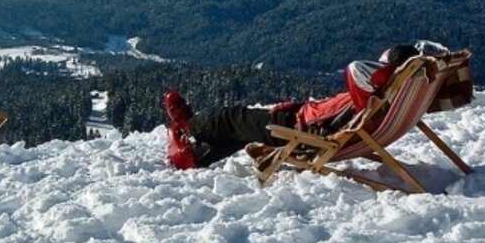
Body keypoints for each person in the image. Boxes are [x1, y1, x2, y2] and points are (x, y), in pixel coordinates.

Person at [162, 44, 422, 170]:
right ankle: (192, 158)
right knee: (242, 130)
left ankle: (188, 124)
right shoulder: (384, 98)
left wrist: (387, 71)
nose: (378, 64)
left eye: (383, 62)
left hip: (302, 128)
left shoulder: (373, 93)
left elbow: (355, 68)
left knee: (230, 117)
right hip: (303, 119)